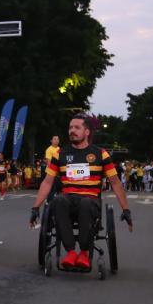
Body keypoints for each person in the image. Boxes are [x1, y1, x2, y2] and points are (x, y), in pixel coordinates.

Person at [30, 114, 133, 270]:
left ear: (87, 132)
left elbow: (116, 183)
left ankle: (84, 252)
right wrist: (35, 208)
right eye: (70, 127)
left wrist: (126, 210)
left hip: (90, 201)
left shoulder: (101, 154)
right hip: (68, 200)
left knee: (85, 202)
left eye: (77, 127)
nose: (72, 130)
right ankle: (71, 252)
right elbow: (47, 182)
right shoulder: (60, 154)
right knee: (57, 200)